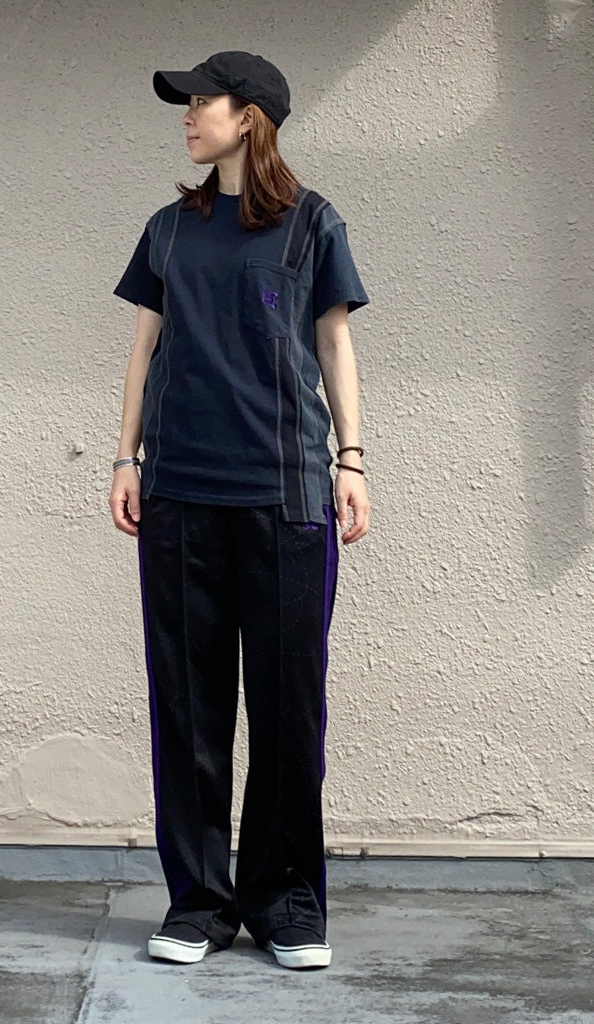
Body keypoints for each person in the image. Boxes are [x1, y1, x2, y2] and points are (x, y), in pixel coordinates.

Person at [109, 51, 370, 971]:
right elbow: (144, 349)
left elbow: (333, 343)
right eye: (184, 103)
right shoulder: (169, 230)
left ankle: (286, 904)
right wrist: (125, 457)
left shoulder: (312, 223)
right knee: (188, 708)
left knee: (290, 711)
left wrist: (351, 460)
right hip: (180, 494)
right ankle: (198, 904)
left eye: (200, 101)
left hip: (288, 497)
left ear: (249, 115)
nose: (186, 115)